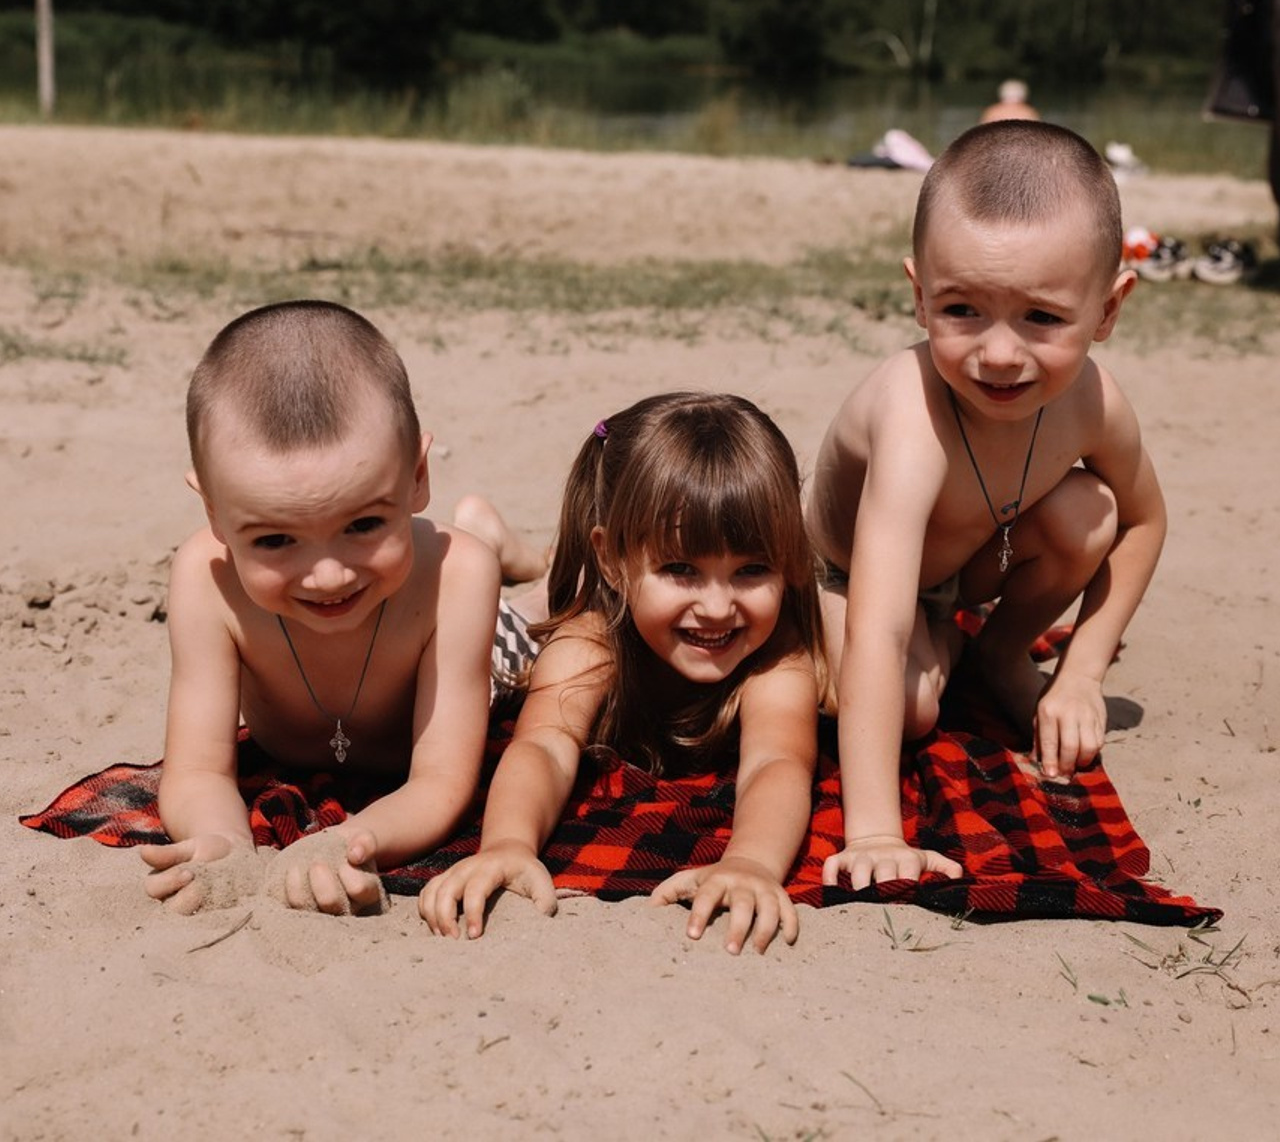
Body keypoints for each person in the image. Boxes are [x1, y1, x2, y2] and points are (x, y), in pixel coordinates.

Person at [807, 121, 1166, 892]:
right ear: (917, 295)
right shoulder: (912, 417)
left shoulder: (1094, 404)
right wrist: (873, 830)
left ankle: (998, 651)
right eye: (962, 309)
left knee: (1091, 512)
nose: (999, 354)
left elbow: (1142, 522)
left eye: (1042, 317)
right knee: (911, 710)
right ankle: (930, 655)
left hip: (952, 579)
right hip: (836, 580)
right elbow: (876, 625)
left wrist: (1081, 674)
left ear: (1108, 310)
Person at [139, 300, 516, 915]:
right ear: (212, 512)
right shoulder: (206, 579)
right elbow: (197, 769)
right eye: (275, 540)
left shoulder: (458, 578)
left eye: (365, 523)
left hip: (492, 647)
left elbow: (441, 781)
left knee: (538, 612)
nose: (329, 574)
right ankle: (472, 528)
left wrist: (349, 841)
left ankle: (496, 541)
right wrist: (223, 838)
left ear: (418, 476)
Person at [419, 393, 825, 955]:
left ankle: (519, 551)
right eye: (681, 569)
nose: (716, 606)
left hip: (615, 588)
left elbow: (776, 762)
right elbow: (543, 745)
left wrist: (751, 862)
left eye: (751, 570)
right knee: (523, 623)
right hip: (538, 625)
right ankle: (505, 551)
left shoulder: (777, 654)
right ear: (612, 559)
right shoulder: (591, 641)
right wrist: (507, 843)